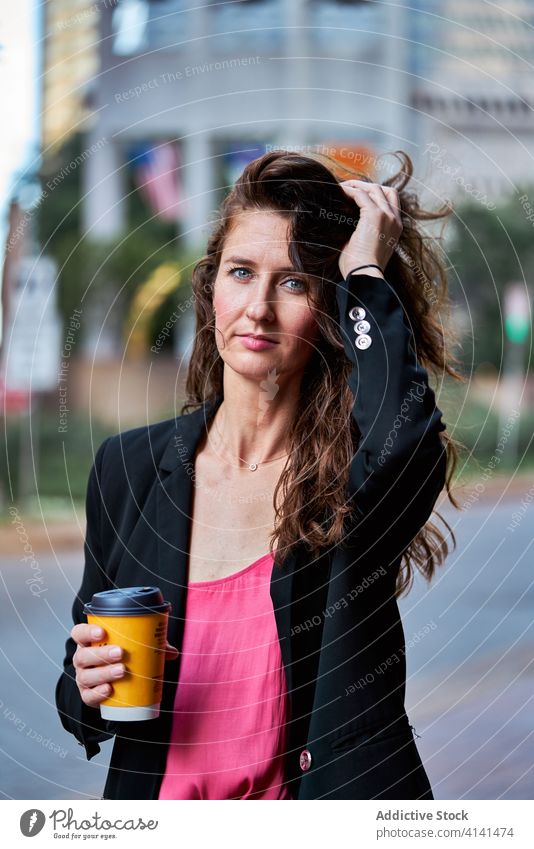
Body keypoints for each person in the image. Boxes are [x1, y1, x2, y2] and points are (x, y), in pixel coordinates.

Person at [56, 149, 461, 800]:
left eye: (295, 282)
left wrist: (363, 268)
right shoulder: (128, 469)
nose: (259, 309)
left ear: (330, 309)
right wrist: (86, 683)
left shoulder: (353, 479)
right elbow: (84, 702)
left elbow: (408, 435)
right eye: (241, 272)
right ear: (211, 284)